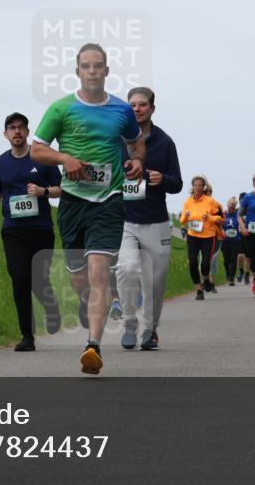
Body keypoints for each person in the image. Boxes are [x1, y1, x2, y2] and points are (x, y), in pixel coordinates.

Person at [31, 43, 144, 375]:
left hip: (109, 200)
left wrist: (136, 159)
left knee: (98, 272)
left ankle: (92, 347)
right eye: (86, 66)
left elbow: (137, 141)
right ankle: (92, 304)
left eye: (98, 66)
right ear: (77, 71)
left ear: (107, 71)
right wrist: (65, 158)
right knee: (80, 278)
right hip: (72, 202)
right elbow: (37, 151)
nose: (93, 71)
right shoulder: (61, 109)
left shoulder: (122, 110)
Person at [0, 113, 63, 351]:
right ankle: (27, 336)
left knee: (39, 279)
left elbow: (62, 189)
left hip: (41, 229)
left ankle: (51, 308)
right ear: (5, 134)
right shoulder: (0, 163)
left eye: (21, 128)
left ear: (28, 132)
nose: (16, 132)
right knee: (19, 279)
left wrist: (43, 191)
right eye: (12, 128)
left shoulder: (43, 159)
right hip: (13, 230)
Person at [115, 87, 183, 351]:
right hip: (125, 221)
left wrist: (161, 179)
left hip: (155, 221)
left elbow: (177, 183)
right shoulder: (117, 140)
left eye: (142, 104)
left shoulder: (165, 143)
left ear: (152, 108)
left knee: (155, 280)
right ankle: (130, 321)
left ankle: (150, 329)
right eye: (132, 105)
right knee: (127, 269)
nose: (136, 109)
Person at [182, 176, 222, 300]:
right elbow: (182, 221)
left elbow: (220, 217)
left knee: (205, 263)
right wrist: (186, 217)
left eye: (200, 185)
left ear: (204, 187)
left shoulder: (210, 201)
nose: (198, 187)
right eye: (195, 185)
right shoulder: (188, 202)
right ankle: (199, 290)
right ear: (192, 187)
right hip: (193, 235)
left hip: (208, 236)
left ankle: (206, 278)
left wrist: (209, 217)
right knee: (193, 263)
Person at [220, 197, 244, 284]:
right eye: (231, 206)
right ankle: (227, 273)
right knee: (226, 260)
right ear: (228, 205)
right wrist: (222, 231)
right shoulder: (223, 214)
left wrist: (241, 228)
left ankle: (231, 279)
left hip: (236, 240)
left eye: (234, 207)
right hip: (225, 240)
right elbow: (219, 225)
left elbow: (241, 224)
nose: (232, 208)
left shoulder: (237, 215)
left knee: (234, 259)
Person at [236, 192, 252, 284]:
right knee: (239, 256)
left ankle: (247, 275)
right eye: (241, 200)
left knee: (249, 258)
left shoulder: (251, 210)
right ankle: (241, 270)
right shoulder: (237, 211)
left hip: (249, 236)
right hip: (240, 236)